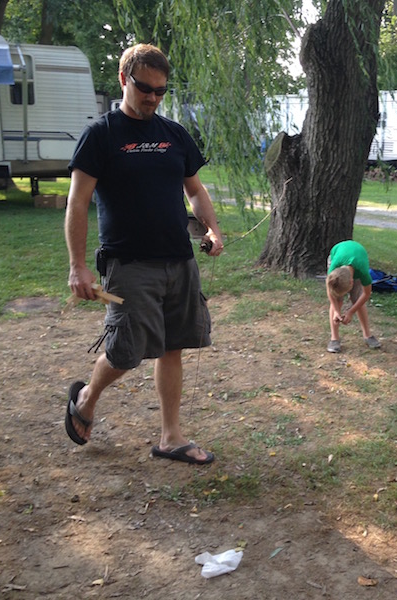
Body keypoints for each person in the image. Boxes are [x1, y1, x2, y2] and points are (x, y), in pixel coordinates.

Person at [63, 43, 225, 465]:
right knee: (127, 351)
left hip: (178, 259)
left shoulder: (174, 135)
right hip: (129, 262)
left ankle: (171, 437)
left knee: (173, 346)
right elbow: (77, 202)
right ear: (123, 80)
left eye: (160, 91)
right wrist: (78, 266)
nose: (152, 97)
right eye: (144, 88)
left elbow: (195, 188)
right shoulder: (101, 135)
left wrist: (211, 228)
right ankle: (86, 396)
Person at [326, 240, 380, 353]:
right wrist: (336, 311)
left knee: (357, 299)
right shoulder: (334, 269)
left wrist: (351, 312)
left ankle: (367, 335)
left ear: (352, 282)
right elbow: (329, 289)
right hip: (337, 253)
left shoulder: (363, 272)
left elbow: (366, 294)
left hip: (357, 255)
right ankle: (334, 338)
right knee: (337, 301)